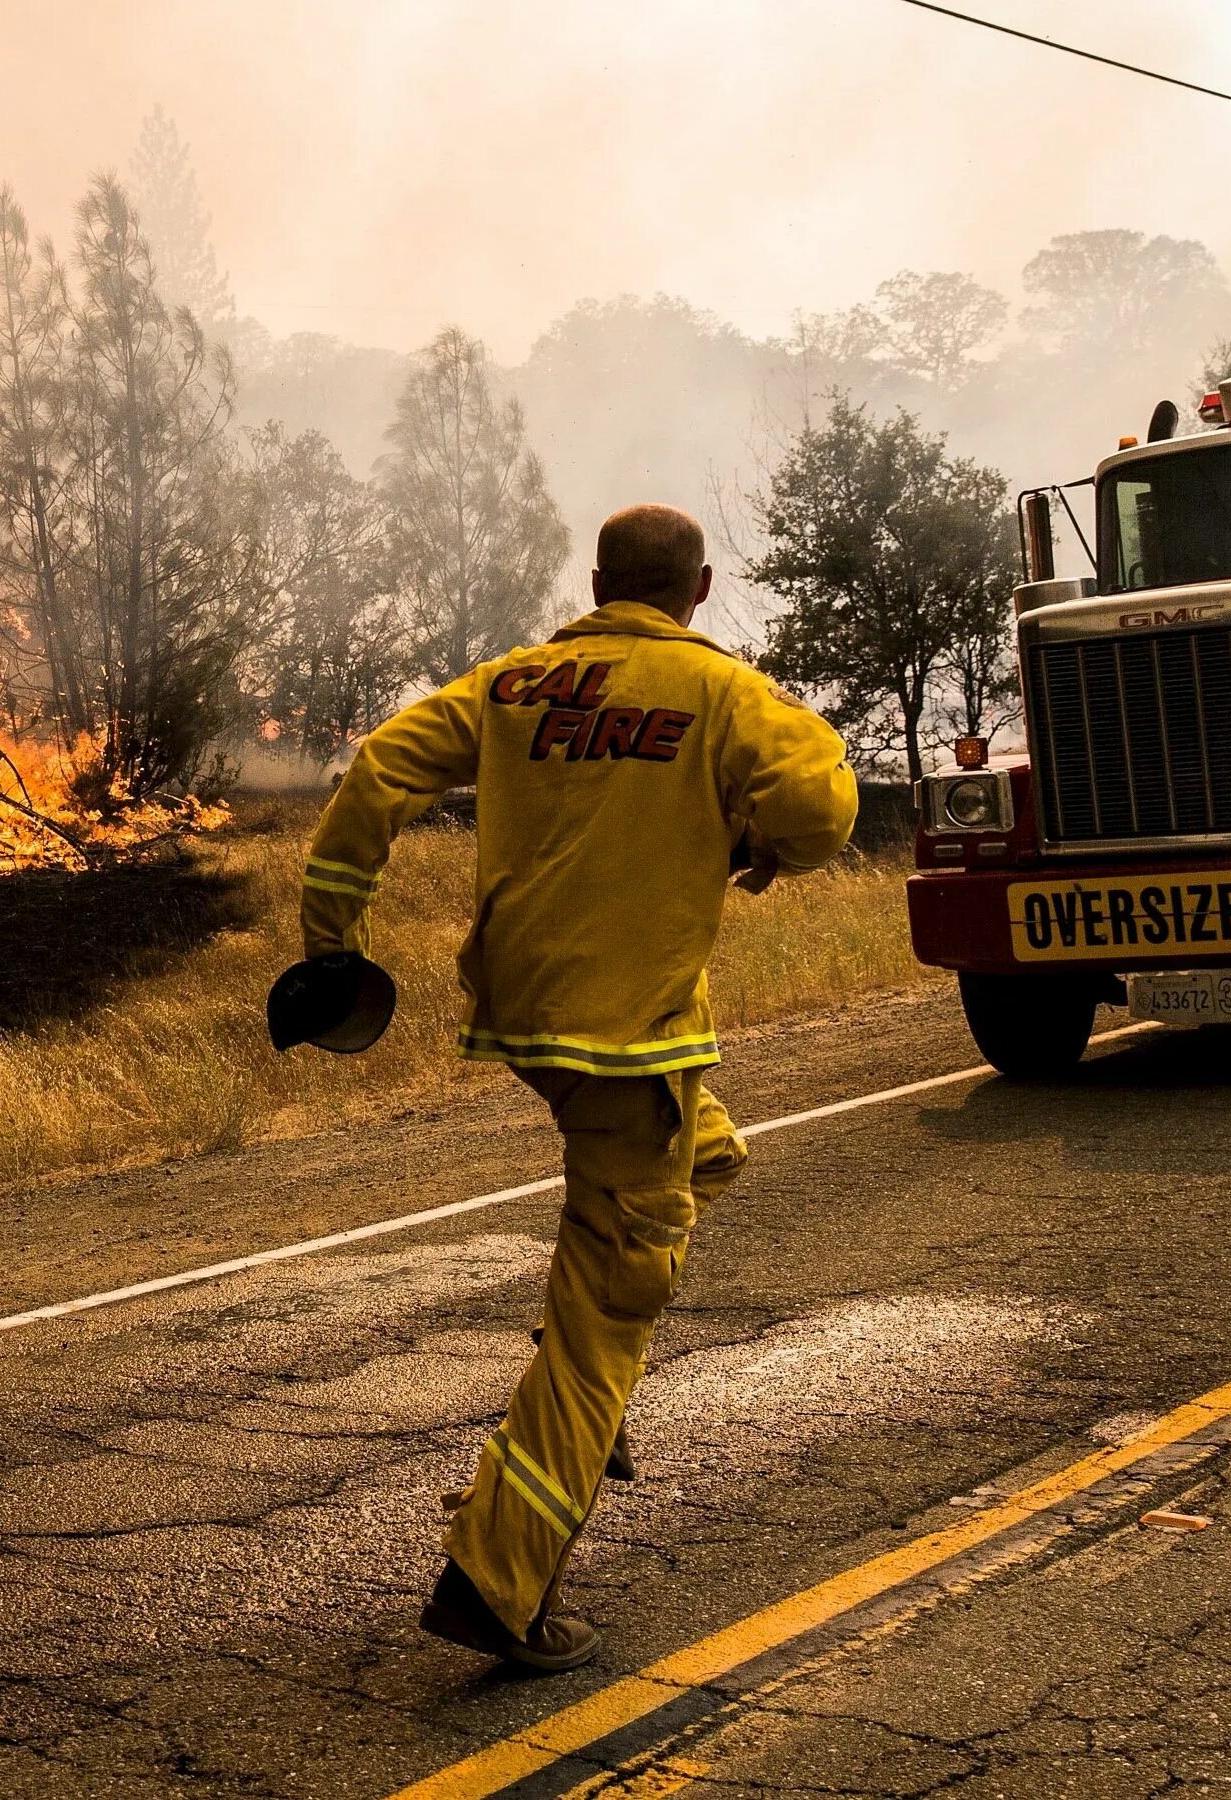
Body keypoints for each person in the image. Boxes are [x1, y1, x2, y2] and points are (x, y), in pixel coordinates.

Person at [295, 503, 856, 1670]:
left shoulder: (515, 687)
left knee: (704, 1156)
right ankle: (502, 1579)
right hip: (632, 1048)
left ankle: (587, 1356)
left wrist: (329, 940)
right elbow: (820, 806)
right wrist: (763, 842)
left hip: (537, 1029)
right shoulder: (724, 695)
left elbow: (378, 769)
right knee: (610, 1313)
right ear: (698, 591)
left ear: (598, 581)